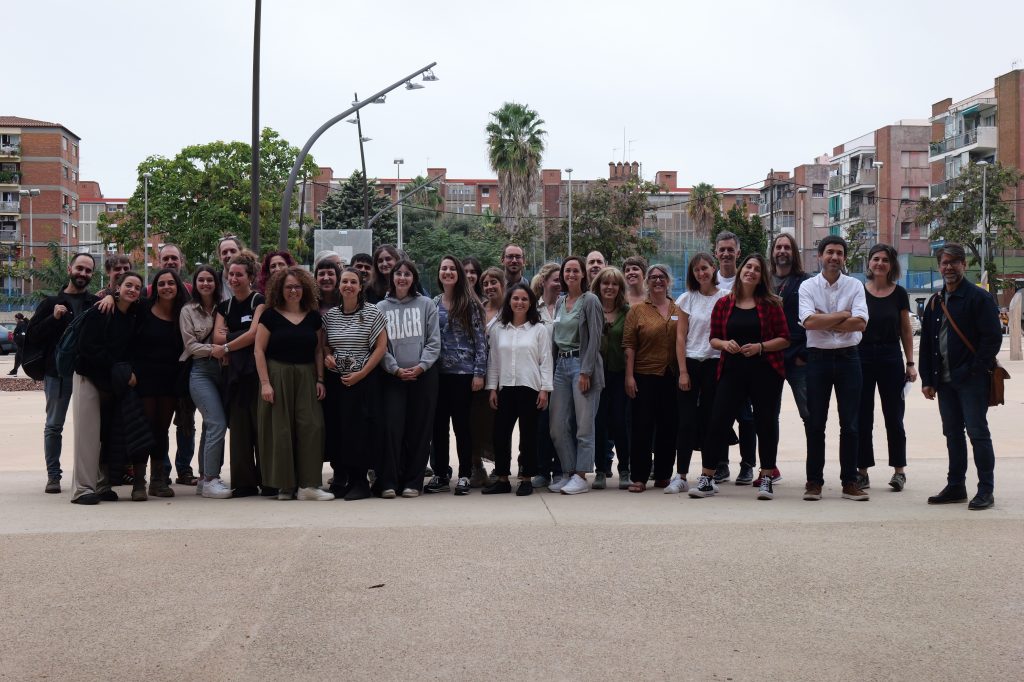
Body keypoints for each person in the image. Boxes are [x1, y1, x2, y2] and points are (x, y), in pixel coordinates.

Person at [690, 254, 790, 500]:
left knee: (765, 423)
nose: (751, 271)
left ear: (761, 276)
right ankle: (707, 478)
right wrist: (724, 344)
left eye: (757, 269)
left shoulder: (772, 303)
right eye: (748, 267)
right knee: (718, 422)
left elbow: (785, 338)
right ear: (741, 270)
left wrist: (761, 347)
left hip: (765, 370)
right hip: (732, 370)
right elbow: (713, 337)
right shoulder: (724, 303)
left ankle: (766, 476)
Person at [921, 244, 1002, 510]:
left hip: (971, 381)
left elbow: (992, 339)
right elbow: (928, 345)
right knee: (952, 434)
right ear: (939, 265)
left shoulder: (979, 298)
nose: (949, 267)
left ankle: (985, 490)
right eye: (944, 262)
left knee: (977, 433)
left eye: (954, 262)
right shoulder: (936, 301)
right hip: (944, 381)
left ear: (964, 265)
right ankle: (956, 485)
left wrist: (975, 371)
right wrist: (928, 379)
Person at [798, 236, 869, 502]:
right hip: (818, 360)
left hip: (850, 358)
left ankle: (850, 481)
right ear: (820, 256)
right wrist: (843, 314)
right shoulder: (807, 287)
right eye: (829, 252)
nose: (834, 257)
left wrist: (824, 319)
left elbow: (860, 324)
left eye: (839, 253)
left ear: (844, 258)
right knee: (816, 423)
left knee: (850, 424)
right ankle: (814, 482)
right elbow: (808, 322)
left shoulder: (855, 286)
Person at [254, 266, 332, 501]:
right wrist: (265, 383)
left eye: (297, 286)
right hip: (277, 374)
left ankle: (308, 485)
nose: (293, 291)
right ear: (280, 289)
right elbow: (258, 350)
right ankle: (284, 486)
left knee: (312, 427)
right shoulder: (270, 315)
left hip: (307, 374)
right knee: (281, 430)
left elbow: (319, 350)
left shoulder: (313, 316)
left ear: (305, 288)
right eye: (289, 287)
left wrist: (320, 379)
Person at [25, 253, 98, 494]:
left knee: (91, 427)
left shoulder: (93, 303)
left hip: (87, 373)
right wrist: (54, 318)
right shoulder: (50, 302)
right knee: (54, 425)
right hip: (56, 374)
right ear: (70, 269)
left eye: (88, 271)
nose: (83, 274)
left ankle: (92, 474)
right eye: (80, 268)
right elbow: (32, 337)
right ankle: (53, 476)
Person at [70, 271, 144, 505]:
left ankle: (102, 485)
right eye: (128, 285)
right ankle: (82, 489)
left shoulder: (132, 316)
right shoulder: (101, 310)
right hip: (89, 377)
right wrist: (119, 369)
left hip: (112, 383)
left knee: (108, 433)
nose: (132, 290)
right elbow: (87, 347)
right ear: (117, 287)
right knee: (88, 435)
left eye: (137, 287)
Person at [322, 267, 388, 500]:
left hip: (364, 382)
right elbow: (326, 345)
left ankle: (360, 482)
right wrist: (327, 356)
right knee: (340, 430)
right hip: (338, 381)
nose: (348, 285)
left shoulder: (372, 313)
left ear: (360, 287)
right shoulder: (330, 316)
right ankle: (344, 478)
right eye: (344, 282)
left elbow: (381, 348)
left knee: (360, 432)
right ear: (339, 286)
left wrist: (361, 374)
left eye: (353, 282)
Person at [376, 260, 440, 498]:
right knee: (392, 428)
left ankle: (413, 482)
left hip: (423, 376)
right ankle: (389, 481)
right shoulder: (381, 308)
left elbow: (434, 341)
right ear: (392, 278)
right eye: (398, 274)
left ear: (414, 278)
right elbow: (379, 345)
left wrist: (421, 366)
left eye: (407, 274)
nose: (402, 278)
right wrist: (394, 369)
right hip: (393, 377)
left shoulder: (426, 305)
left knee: (420, 429)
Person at [425, 255, 488, 495]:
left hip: (464, 374)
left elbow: (480, 340)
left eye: (452, 268)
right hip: (437, 374)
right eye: (444, 268)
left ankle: (464, 474)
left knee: (462, 426)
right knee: (438, 427)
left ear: (459, 273)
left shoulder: (470, 303)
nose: (448, 272)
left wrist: (479, 372)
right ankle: (441, 473)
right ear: (439, 273)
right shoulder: (432, 303)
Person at [857, 244, 916, 493]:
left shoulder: (899, 293)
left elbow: (905, 329)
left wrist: (911, 362)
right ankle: (862, 471)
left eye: (885, 260)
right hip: (861, 357)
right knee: (862, 417)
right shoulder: (858, 291)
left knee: (894, 416)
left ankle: (899, 471)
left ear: (891, 265)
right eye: (875, 259)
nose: (879, 263)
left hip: (891, 357)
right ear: (869, 263)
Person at [483, 283, 553, 496]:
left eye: (524, 299)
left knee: (528, 435)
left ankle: (525, 478)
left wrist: (544, 390)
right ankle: (503, 478)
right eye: (515, 299)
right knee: (500, 434)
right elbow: (493, 361)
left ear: (530, 302)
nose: (519, 302)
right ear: (509, 302)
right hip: (505, 388)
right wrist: (492, 388)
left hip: (530, 388)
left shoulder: (538, 329)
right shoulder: (499, 329)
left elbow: (546, 361)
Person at [214, 251, 270, 497]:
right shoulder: (223, 305)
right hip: (233, 375)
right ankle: (244, 482)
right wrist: (239, 338)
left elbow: (255, 334)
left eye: (239, 275)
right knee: (239, 429)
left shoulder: (259, 301)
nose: (233, 279)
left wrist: (226, 346)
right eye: (230, 274)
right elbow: (215, 336)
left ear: (251, 277)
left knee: (262, 427)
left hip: (256, 373)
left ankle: (269, 480)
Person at [672, 252, 728, 495]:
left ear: (713, 268)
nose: (701, 273)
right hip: (691, 364)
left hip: (715, 363)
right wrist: (683, 371)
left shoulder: (726, 297)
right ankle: (681, 475)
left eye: (705, 268)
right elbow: (680, 337)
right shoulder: (687, 299)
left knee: (710, 421)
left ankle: (709, 476)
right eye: (696, 270)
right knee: (685, 422)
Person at [131, 268, 189, 500]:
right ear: (155, 288)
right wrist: (108, 296)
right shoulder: (143, 308)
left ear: (178, 287)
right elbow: (122, 304)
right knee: (143, 429)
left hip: (170, 381)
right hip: (143, 379)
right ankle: (138, 483)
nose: (166, 287)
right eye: (161, 283)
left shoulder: (183, 314)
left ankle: (158, 481)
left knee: (161, 430)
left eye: (171, 283)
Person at [548, 256, 604, 495]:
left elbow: (595, 337)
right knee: (558, 426)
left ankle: (581, 475)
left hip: (582, 364)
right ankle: (569, 471)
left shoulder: (590, 300)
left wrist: (586, 371)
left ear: (583, 274)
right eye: (567, 271)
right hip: (560, 366)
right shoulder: (561, 302)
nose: (570, 274)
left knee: (584, 426)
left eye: (575, 270)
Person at [623, 264, 681, 492]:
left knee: (669, 427)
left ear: (669, 281)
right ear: (647, 282)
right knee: (641, 427)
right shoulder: (637, 311)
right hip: (643, 376)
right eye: (653, 277)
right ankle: (639, 476)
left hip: (671, 377)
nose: (658, 281)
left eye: (662, 277)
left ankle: (664, 475)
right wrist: (629, 376)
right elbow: (629, 345)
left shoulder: (678, 309)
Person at [180, 266, 230, 499]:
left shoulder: (225, 307)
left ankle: (203, 478)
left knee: (211, 425)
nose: (206, 283)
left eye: (210, 279)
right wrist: (216, 349)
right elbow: (190, 346)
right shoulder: (188, 311)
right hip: (201, 372)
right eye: (201, 279)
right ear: (195, 283)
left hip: (224, 372)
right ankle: (211, 478)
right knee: (217, 422)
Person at [765, 233, 809, 488]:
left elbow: (811, 318)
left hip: (798, 357)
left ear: (794, 252)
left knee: (810, 414)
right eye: (778, 247)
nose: (782, 251)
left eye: (787, 247)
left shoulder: (805, 282)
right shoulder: (764, 281)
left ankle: (814, 470)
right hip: (770, 357)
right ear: (772, 252)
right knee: (769, 415)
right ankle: (770, 467)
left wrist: (804, 354)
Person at [592, 267, 631, 490]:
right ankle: (599, 470)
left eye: (614, 284)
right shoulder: (591, 309)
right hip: (596, 376)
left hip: (618, 375)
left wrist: (629, 376)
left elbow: (631, 346)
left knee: (619, 422)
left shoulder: (628, 312)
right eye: (605, 283)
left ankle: (624, 468)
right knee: (598, 423)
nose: (609, 287)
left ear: (620, 288)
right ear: (598, 285)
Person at [530, 262, 564, 489]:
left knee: (561, 424)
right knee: (541, 425)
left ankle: (561, 470)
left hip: (563, 372)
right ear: (543, 281)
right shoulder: (532, 308)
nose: (560, 283)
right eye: (556, 279)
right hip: (539, 374)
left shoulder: (567, 306)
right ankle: (542, 470)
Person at [471, 266, 505, 485]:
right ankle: (477, 467)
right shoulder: (479, 309)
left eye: (494, 282)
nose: (490, 287)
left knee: (499, 424)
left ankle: (500, 467)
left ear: (502, 284)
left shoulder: (512, 309)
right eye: (485, 284)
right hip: (478, 372)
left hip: (502, 374)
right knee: (474, 422)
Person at [217, 236, 244, 301]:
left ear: (241, 253)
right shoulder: (214, 281)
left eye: (233, 251)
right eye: (224, 252)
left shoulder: (253, 280)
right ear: (220, 257)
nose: (229, 255)